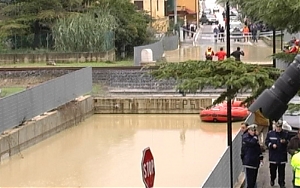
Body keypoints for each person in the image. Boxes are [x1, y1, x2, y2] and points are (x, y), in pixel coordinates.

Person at [265, 120, 289, 188]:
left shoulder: (285, 134)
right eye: (277, 127)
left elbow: (289, 142)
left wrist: (285, 142)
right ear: (275, 126)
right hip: (273, 156)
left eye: (280, 127)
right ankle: (272, 179)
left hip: (282, 156)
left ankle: (282, 183)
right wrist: (271, 145)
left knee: (281, 172)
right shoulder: (270, 134)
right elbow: (266, 142)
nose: (278, 128)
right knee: (273, 171)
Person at [242, 124, 263, 188]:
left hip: (255, 162)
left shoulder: (254, 138)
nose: (253, 132)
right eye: (252, 130)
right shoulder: (246, 137)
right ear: (248, 130)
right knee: (250, 181)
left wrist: (261, 157)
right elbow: (252, 143)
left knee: (253, 180)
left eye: (254, 131)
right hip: (249, 162)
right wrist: (256, 137)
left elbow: (258, 148)